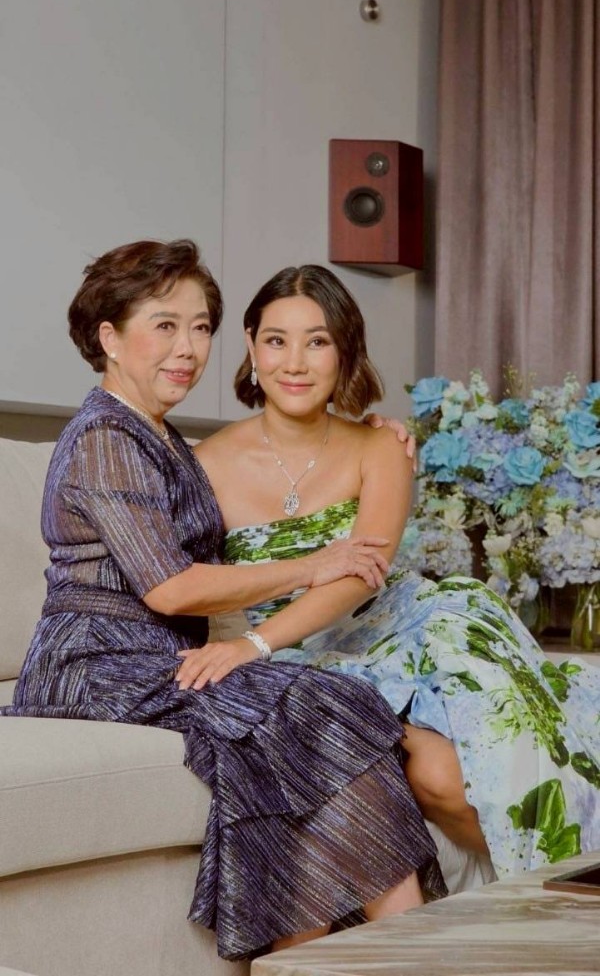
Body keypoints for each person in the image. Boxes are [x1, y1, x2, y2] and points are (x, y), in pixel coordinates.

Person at [0, 241, 447, 961]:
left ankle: (347, 951)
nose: (188, 348)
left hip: (155, 659)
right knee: (315, 702)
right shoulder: (106, 435)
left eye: (201, 326)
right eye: (164, 325)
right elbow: (170, 585)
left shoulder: (162, 436)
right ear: (109, 337)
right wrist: (314, 565)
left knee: (328, 709)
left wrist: (378, 431)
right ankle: (408, 951)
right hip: (91, 666)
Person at [186, 263, 600, 881]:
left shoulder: (381, 445)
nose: (294, 363)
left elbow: (362, 574)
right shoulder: (203, 463)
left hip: (415, 629)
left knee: (502, 757)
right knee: (436, 775)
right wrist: (255, 647)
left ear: (344, 350)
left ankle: (568, 894)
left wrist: (252, 645)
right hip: (310, 662)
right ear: (250, 345)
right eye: (276, 340)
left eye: (317, 341)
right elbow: (181, 581)